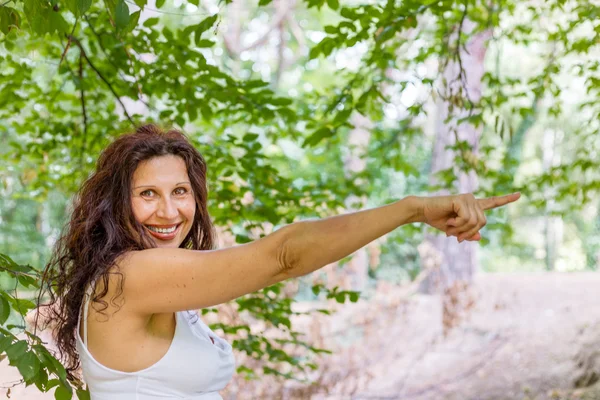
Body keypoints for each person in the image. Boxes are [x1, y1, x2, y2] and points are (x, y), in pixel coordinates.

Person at [35, 123, 520, 399]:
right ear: (117, 205)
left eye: (180, 192)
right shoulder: (133, 275)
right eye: (148, 194)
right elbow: (283, 256)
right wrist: (413, 208)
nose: (169, 211)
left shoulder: (155, 280)